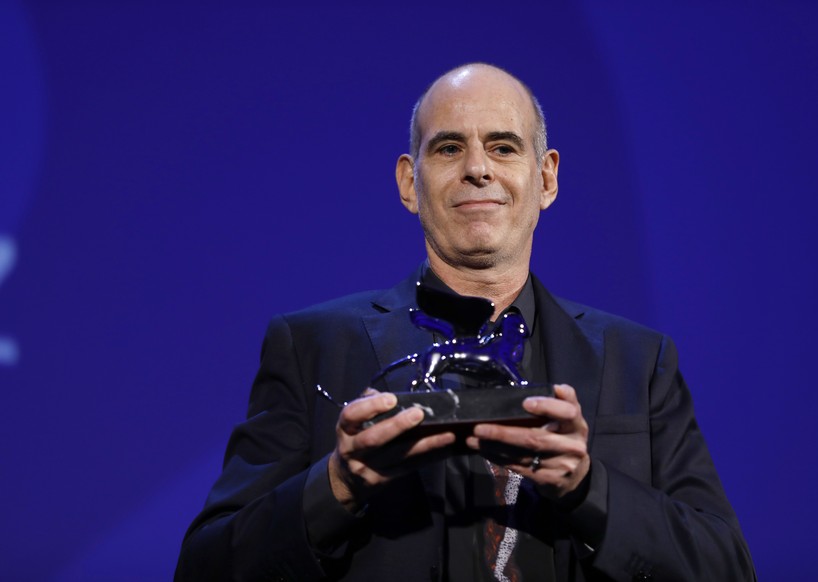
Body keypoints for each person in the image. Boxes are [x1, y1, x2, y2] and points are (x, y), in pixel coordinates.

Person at [175, 63, 755, 581]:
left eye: (503, 147)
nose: (477, 168)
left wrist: (588, 488)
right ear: (410, 182)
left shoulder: (639, 359)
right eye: (449, 148)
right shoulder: (312, 345)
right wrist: (337, 484)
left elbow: (726, 566)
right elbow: (206, 566)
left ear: (547, 177)